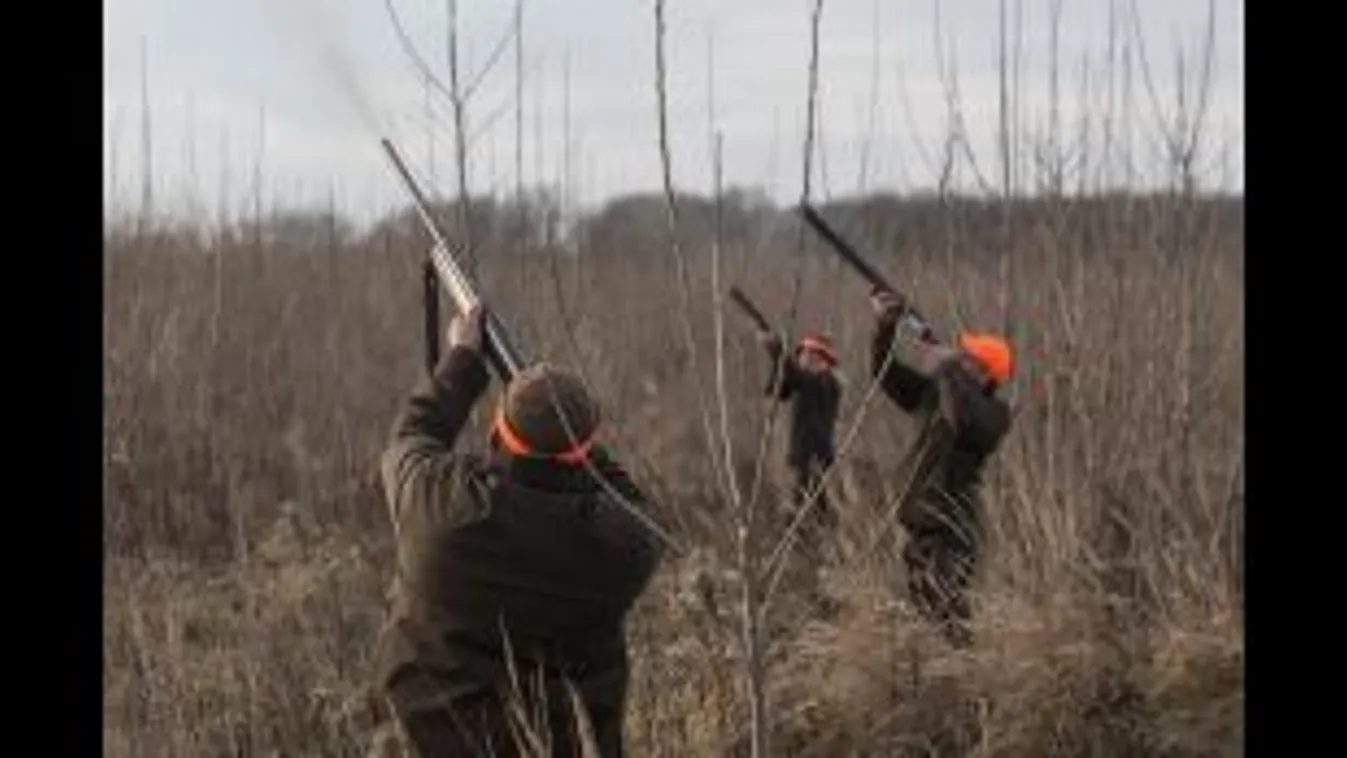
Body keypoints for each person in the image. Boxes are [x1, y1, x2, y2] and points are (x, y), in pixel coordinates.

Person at [372, 304, 664, 758]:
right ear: (582, 449)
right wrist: (567, 427)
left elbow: (412, 436)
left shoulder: (441, 511)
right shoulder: (625, 547)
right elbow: (625, 495)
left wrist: (463, 361)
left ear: (497, 433)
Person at [867, 288, 1013, 648]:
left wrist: (947, 369)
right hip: (919, 521)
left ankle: (964, 682)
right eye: (959, 356)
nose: (957, 357)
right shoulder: (934, 394)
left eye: (966, 358)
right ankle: (939, 684)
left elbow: (963, 418)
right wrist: (885, 328)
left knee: (949, 615)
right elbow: (884, 374)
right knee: (924, 616)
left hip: (951, 528)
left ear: (983, 374)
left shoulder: (994, 415)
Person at [758, 328, 843, 558]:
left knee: (804, 512)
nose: (805, 359)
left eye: (812, 356)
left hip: (814, 458)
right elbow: (776, 390)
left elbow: (797, 378)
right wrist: (777, 358)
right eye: (803, 355)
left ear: (824, 361)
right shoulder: (807, 382)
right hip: (803, 458)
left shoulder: (826, 383)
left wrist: (777, 351)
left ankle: (808, 557)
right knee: (809, 512)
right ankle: (814, 555)